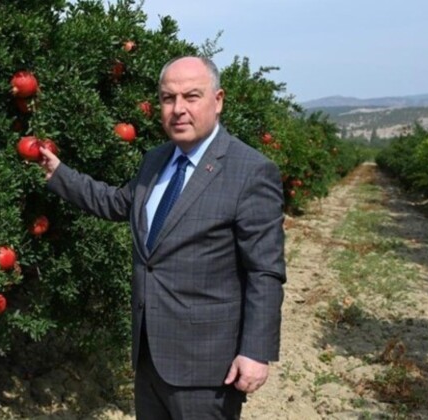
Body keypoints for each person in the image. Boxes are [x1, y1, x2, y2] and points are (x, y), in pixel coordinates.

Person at [38, 56, 286, 419]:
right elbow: (115, 203)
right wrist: (59, 173)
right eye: (168, 98)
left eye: (191, 96)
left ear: (217, 101)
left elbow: (264, 271)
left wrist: (255, 351)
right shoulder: (156, 160)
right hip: (150, 356)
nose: (178, 109)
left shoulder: (250, 171)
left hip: (207, 368)